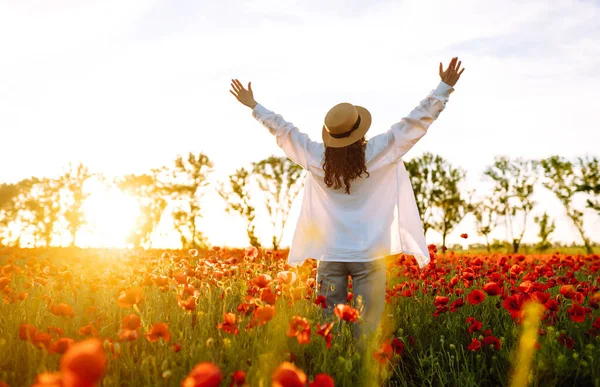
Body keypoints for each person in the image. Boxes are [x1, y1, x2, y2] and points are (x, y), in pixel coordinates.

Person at [230, 57, 464, 352]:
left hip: (331, 255)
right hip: (369, 256)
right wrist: (444, 88)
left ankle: (337, 375)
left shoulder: (316, 158)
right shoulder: (380, 151)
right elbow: (415, 122)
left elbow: (283, 131)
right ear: (360, 131)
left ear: (331, 135)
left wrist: (254, 106)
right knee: (366, 332)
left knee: (330, 332)